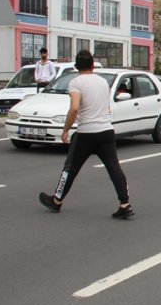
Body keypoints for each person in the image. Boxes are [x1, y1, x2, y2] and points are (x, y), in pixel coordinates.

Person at [39, 49, 133, 219]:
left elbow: (75, 107)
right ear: (92, 65)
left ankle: (56, 200)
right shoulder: (103, 82)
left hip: (85, 133)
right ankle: (124, 204)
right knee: (114, 168)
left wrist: (66, 130)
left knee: (70, 169)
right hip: (106, 131)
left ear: (76, 67)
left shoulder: (75, 83)